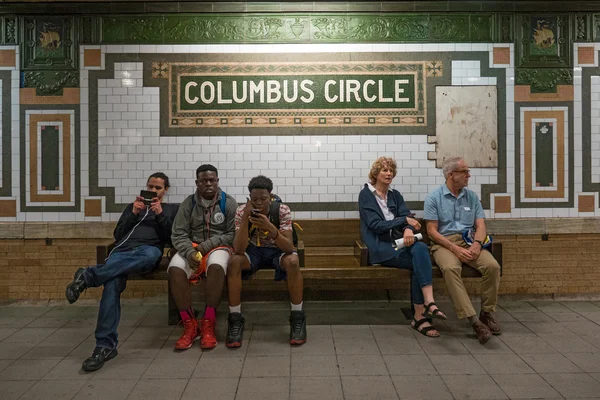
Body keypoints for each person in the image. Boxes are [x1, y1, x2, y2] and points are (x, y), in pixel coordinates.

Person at [65, 172, 178, 371]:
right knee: (111, 283)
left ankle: (88, 276)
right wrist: (133, 213)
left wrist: (159, 214)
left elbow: (171, 237)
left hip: (148, 251)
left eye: (157, 188)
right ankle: (104, 347)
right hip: (122, 251)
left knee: (149, 256)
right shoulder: (133, 207)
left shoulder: (170, 209)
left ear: (165, 191)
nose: (152, 191)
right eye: (150, 186)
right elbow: (118, 235)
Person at [359, 157, 447, 337]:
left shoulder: (395, 195)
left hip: (400, 244)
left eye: (391, 170)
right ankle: (420, 315)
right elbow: (376, 225)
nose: (389, 173)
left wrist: (407, 229)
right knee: (419, 263)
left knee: (421, 249)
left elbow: (407, 216)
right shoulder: (366, 195)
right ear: (375, 174)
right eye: (384, 170)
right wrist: (405, 221)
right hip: (380, 248)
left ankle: (427, 304)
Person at [424, 156, 501, 344]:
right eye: (465, 171)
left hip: (470, 241)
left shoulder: (472, 197)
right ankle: (473, 321)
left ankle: (486, 313)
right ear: (452, 175)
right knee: (451, 269)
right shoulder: (434, 198)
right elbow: (431, 231)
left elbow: (481, 225)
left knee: (492, 266)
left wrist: (476, 244)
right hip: (444, 243)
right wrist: (454, 248)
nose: (469, 175)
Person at [226, 175, 306, 347]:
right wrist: (247, 216)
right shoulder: (242, 211)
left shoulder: (281, 210)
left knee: (292, 261)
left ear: (270, 196)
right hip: (253, 251)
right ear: (249, 198)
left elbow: (289, 248)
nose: (259, 203)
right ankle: (235, 319)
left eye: (263, 198)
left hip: (277, 251)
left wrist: (269, 227)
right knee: (233, 262)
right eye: (254, 199)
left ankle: (297, 317)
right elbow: (239, 249)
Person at [168, 164, 238, 350]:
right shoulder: (188, 203)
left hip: (218, 247)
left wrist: (207, 245)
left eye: (212, 180)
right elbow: (178, 233)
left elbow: (233, 234)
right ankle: (189, 324)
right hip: (191, 248)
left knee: (216, 266)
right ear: (197, 183)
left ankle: (209, 322)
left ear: (217, 181)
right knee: (175, 269)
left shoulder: (228, 203)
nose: (208, 184)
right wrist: (189, 252)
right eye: (204, 181)